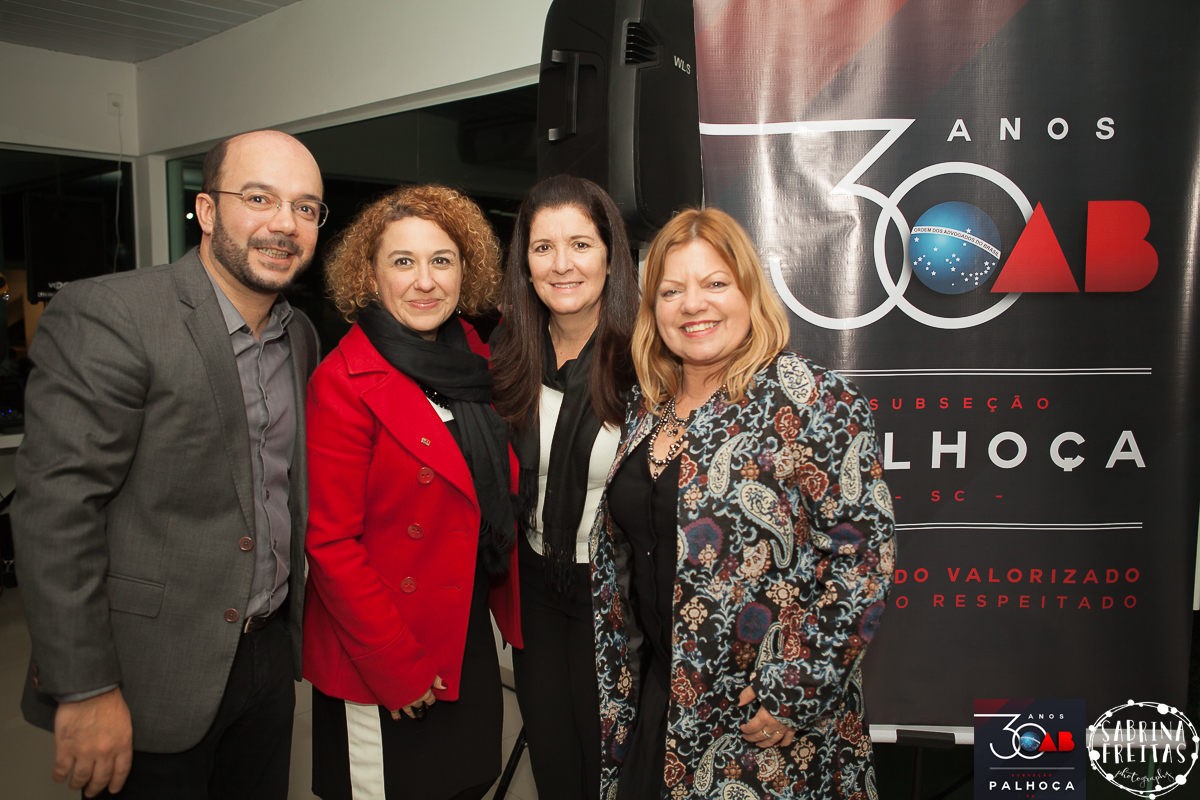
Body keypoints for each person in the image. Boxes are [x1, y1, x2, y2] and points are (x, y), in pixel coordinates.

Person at [12, 129, 325, 798]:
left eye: (305, 207)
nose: (284, 223)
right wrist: (86, 687)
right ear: (207, 211)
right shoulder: (116, 313)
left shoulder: (299, 335)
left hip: (267, 657)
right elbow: (57, 510)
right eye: (259, 198)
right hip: (149, 669)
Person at [591, 208, 896, 798]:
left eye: (715, 283)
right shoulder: (647, 405)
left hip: (759, 723)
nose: (692, 305)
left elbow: (863, 561)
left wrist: (791, 694)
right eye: (671, 291)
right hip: (654, 700)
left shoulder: (814, 399)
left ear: (750, 293)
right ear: (652, 309)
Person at [302, 184, 521, 800]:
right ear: (370, 276)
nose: (425, 281)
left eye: (441, 260)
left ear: (465, 271)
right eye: (403, 261)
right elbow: (331, 545)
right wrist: (395, 665)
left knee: (467, 785)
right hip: (384, 650)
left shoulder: (473, 357)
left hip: (464, 636)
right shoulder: (342, 382)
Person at [491, 175, 638, 800]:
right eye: (543, 247)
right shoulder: (508, 353)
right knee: (555, 763)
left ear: (610, 254)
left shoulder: (649, 359)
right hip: (535, 587)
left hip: (621, 597)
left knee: (616, 770)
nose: (561, 265)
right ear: (524, 263)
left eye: (580, 244)